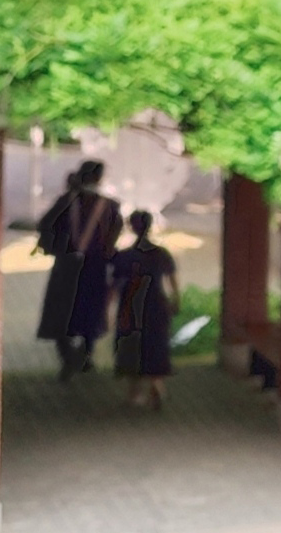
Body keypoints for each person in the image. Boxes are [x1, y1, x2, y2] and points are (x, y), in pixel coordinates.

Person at [33, 159, 119, 380]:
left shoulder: (66, 202)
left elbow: (45, 224)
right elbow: (113, 236)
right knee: (90, 312)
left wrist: (55, 247)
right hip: (95, 268)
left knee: (61, 313)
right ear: (99, 178)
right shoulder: (110, 206)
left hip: (67, 266)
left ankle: (68, 358)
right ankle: (85, 357)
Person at [107, 209, 180, 410]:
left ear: (132, 227)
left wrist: (107, 310)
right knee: (155, 345)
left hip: (131, 305)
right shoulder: (161, 254)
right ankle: (156, 385)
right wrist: (176, 300)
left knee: (131, 345)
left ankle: (134, 392)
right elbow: (172, 280)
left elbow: (114, 286)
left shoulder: (125, 256)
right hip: (156, 303)